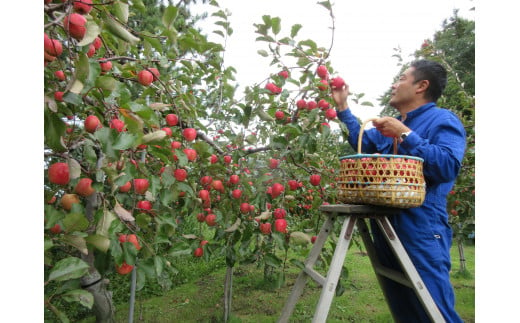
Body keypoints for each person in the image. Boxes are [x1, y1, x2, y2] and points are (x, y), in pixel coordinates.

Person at [331, 59, 466, 323]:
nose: (395, 84)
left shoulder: (443, 120)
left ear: (421, 86)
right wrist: (342, 107)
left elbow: (448, 166)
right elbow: (363, 141)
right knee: (404, 306)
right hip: (386, 224)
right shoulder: (392, 125)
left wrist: (405, 134)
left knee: (433, 309)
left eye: (402, 78)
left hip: (421, 224)